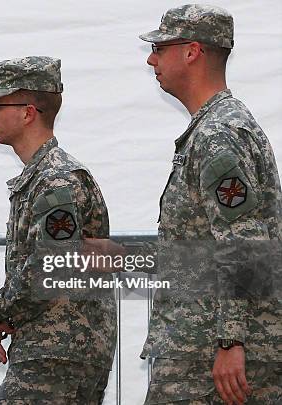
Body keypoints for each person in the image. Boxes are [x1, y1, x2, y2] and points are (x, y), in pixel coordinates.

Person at [138, 4, 282, 405]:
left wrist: (230, 339)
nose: (151, 58)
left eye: (160, 47)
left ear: (191, 52)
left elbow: (244, 241)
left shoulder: (218, 134)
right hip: (200, 344)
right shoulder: (217, 128)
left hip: (203, 353)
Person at [0, 56, 116, 404]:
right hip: (54, 344)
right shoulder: (42, 178)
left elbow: (50, 267)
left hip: (59, 350)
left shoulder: (56, 181)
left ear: (27, 112)